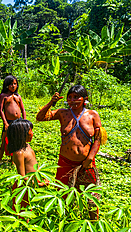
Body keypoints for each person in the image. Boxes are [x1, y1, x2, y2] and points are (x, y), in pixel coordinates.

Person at [36, 85, 102, 219]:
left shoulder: (92, 115)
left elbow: (98, 139)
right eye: (70, 97)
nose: (72, 100)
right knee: (64, 194)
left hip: (86, 163)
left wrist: (90, 158)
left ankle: (94, 222)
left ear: (85, 99)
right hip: (65, 162)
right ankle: (66, 221)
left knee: (91, 196)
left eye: (76, 97)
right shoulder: (62, 113)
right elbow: (40, 117)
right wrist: (51, 102)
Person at [7, 119, 48, 213]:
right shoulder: (19, 153)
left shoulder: (27, 146)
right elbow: (22, 177)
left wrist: (40, 179)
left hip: (31, 184)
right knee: (24, 213)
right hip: (23, 188)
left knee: (30, 210)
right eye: (30, 131)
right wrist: (39, 184)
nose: (32, 133)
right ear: (22, 134)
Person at [0, 75, 26, 167]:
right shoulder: (3, 96)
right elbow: (1, 110)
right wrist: (5, 122)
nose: (13, 86)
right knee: (4, 142)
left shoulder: (18, 96)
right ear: (6, 85)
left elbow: (23, 109)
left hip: (18, 122)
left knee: (17, 142)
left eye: (15, 84)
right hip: (8, 122)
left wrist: (24, 121)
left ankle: (13, 161)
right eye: (11, 84)